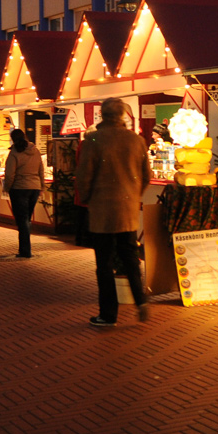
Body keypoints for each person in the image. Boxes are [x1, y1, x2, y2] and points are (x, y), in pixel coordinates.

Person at [76, 98, 152, 327]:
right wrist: (133, 196)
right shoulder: (137, 140)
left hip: (102, 209)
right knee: (130, 258)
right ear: (123, 116)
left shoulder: (94, 139)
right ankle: (141, 301)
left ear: (102, 114)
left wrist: (88, 198)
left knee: (104, 264)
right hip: (127, 210)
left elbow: (84, 175)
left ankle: (108, 314)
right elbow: (145, 175)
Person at [3, 128, 45, 259]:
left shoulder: (14, 153)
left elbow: (10, 174)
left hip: (19, 188)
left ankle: (25, 250)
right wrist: (41, 186)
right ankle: (25, 249)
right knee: (27, 218)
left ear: (13, 139)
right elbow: (41, 170)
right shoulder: (35, 151)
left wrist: (7, 187)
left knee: (22, 220)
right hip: (34, 187)